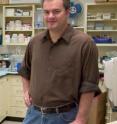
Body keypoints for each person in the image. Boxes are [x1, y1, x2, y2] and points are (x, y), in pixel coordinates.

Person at [18, 0, 100, 124]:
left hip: (64, 117)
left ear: (67, 12)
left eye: (56, 11)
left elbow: (89, 86)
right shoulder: (34, 42)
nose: (50, 16)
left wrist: (81, 119)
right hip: (33, 115)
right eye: (46, 12)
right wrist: (26, 91)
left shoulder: (85, 44)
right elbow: (25, 70)